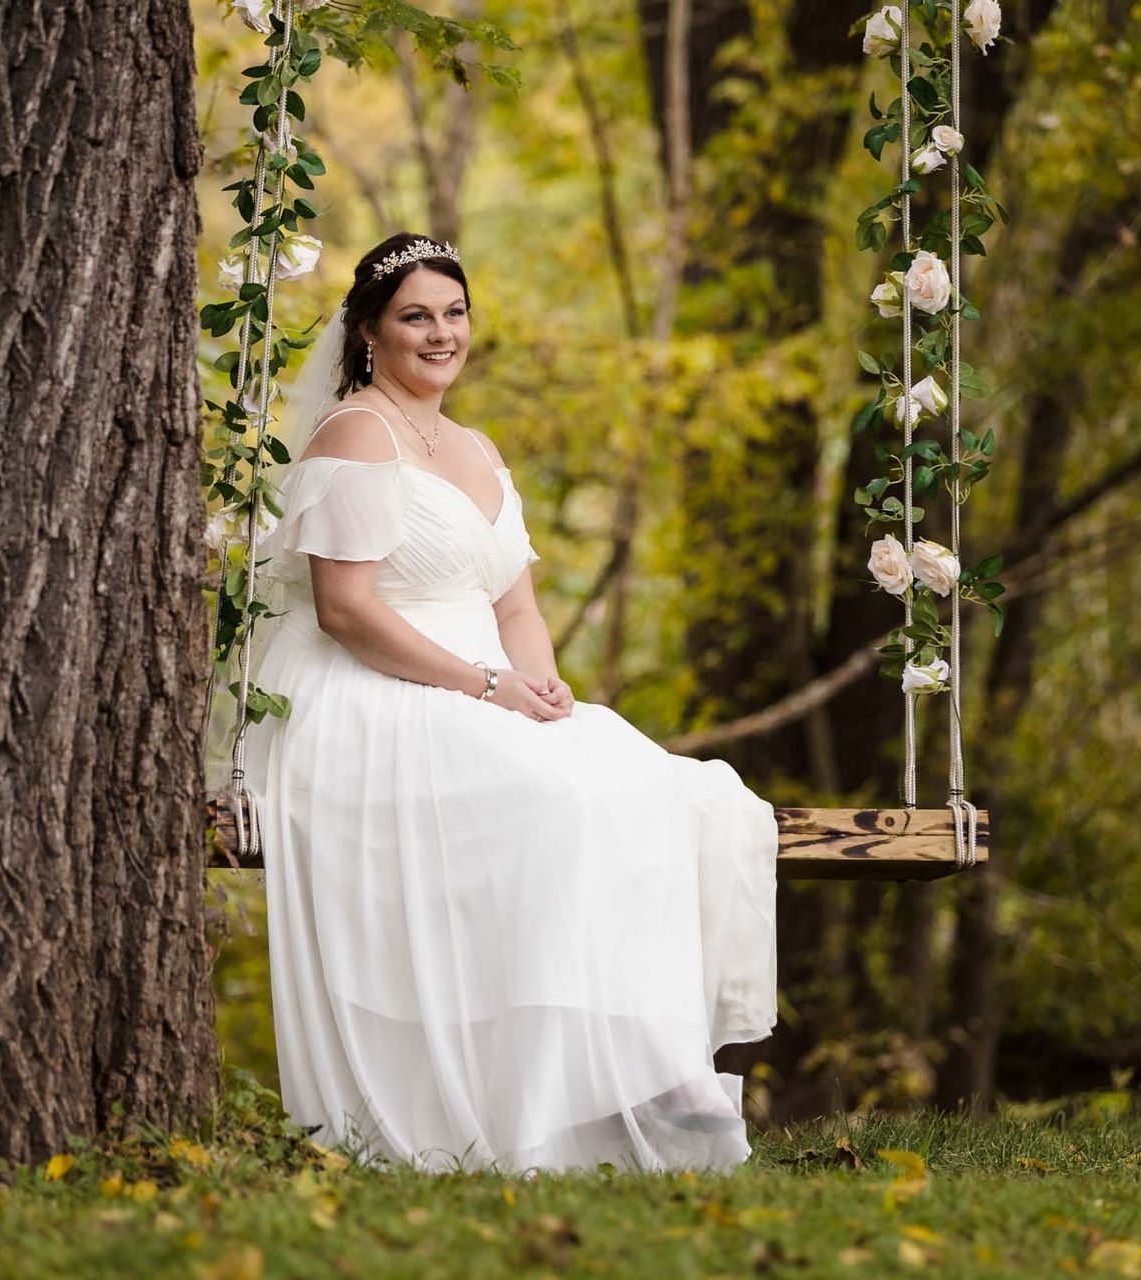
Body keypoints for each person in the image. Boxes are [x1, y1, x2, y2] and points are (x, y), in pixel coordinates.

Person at [241, 232, 778, 1174]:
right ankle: (556, 1094)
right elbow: (347, 610)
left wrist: (540, 684)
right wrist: (485, 686)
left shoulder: (473, 445)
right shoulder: (357, 434)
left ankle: (638, 1082)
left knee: (669, 798)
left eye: (454, 313)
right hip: (379, 688)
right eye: (415, 316)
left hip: (491, 690)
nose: (439, 333)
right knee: (562, 804)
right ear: (368, 332)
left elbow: (515, 602)